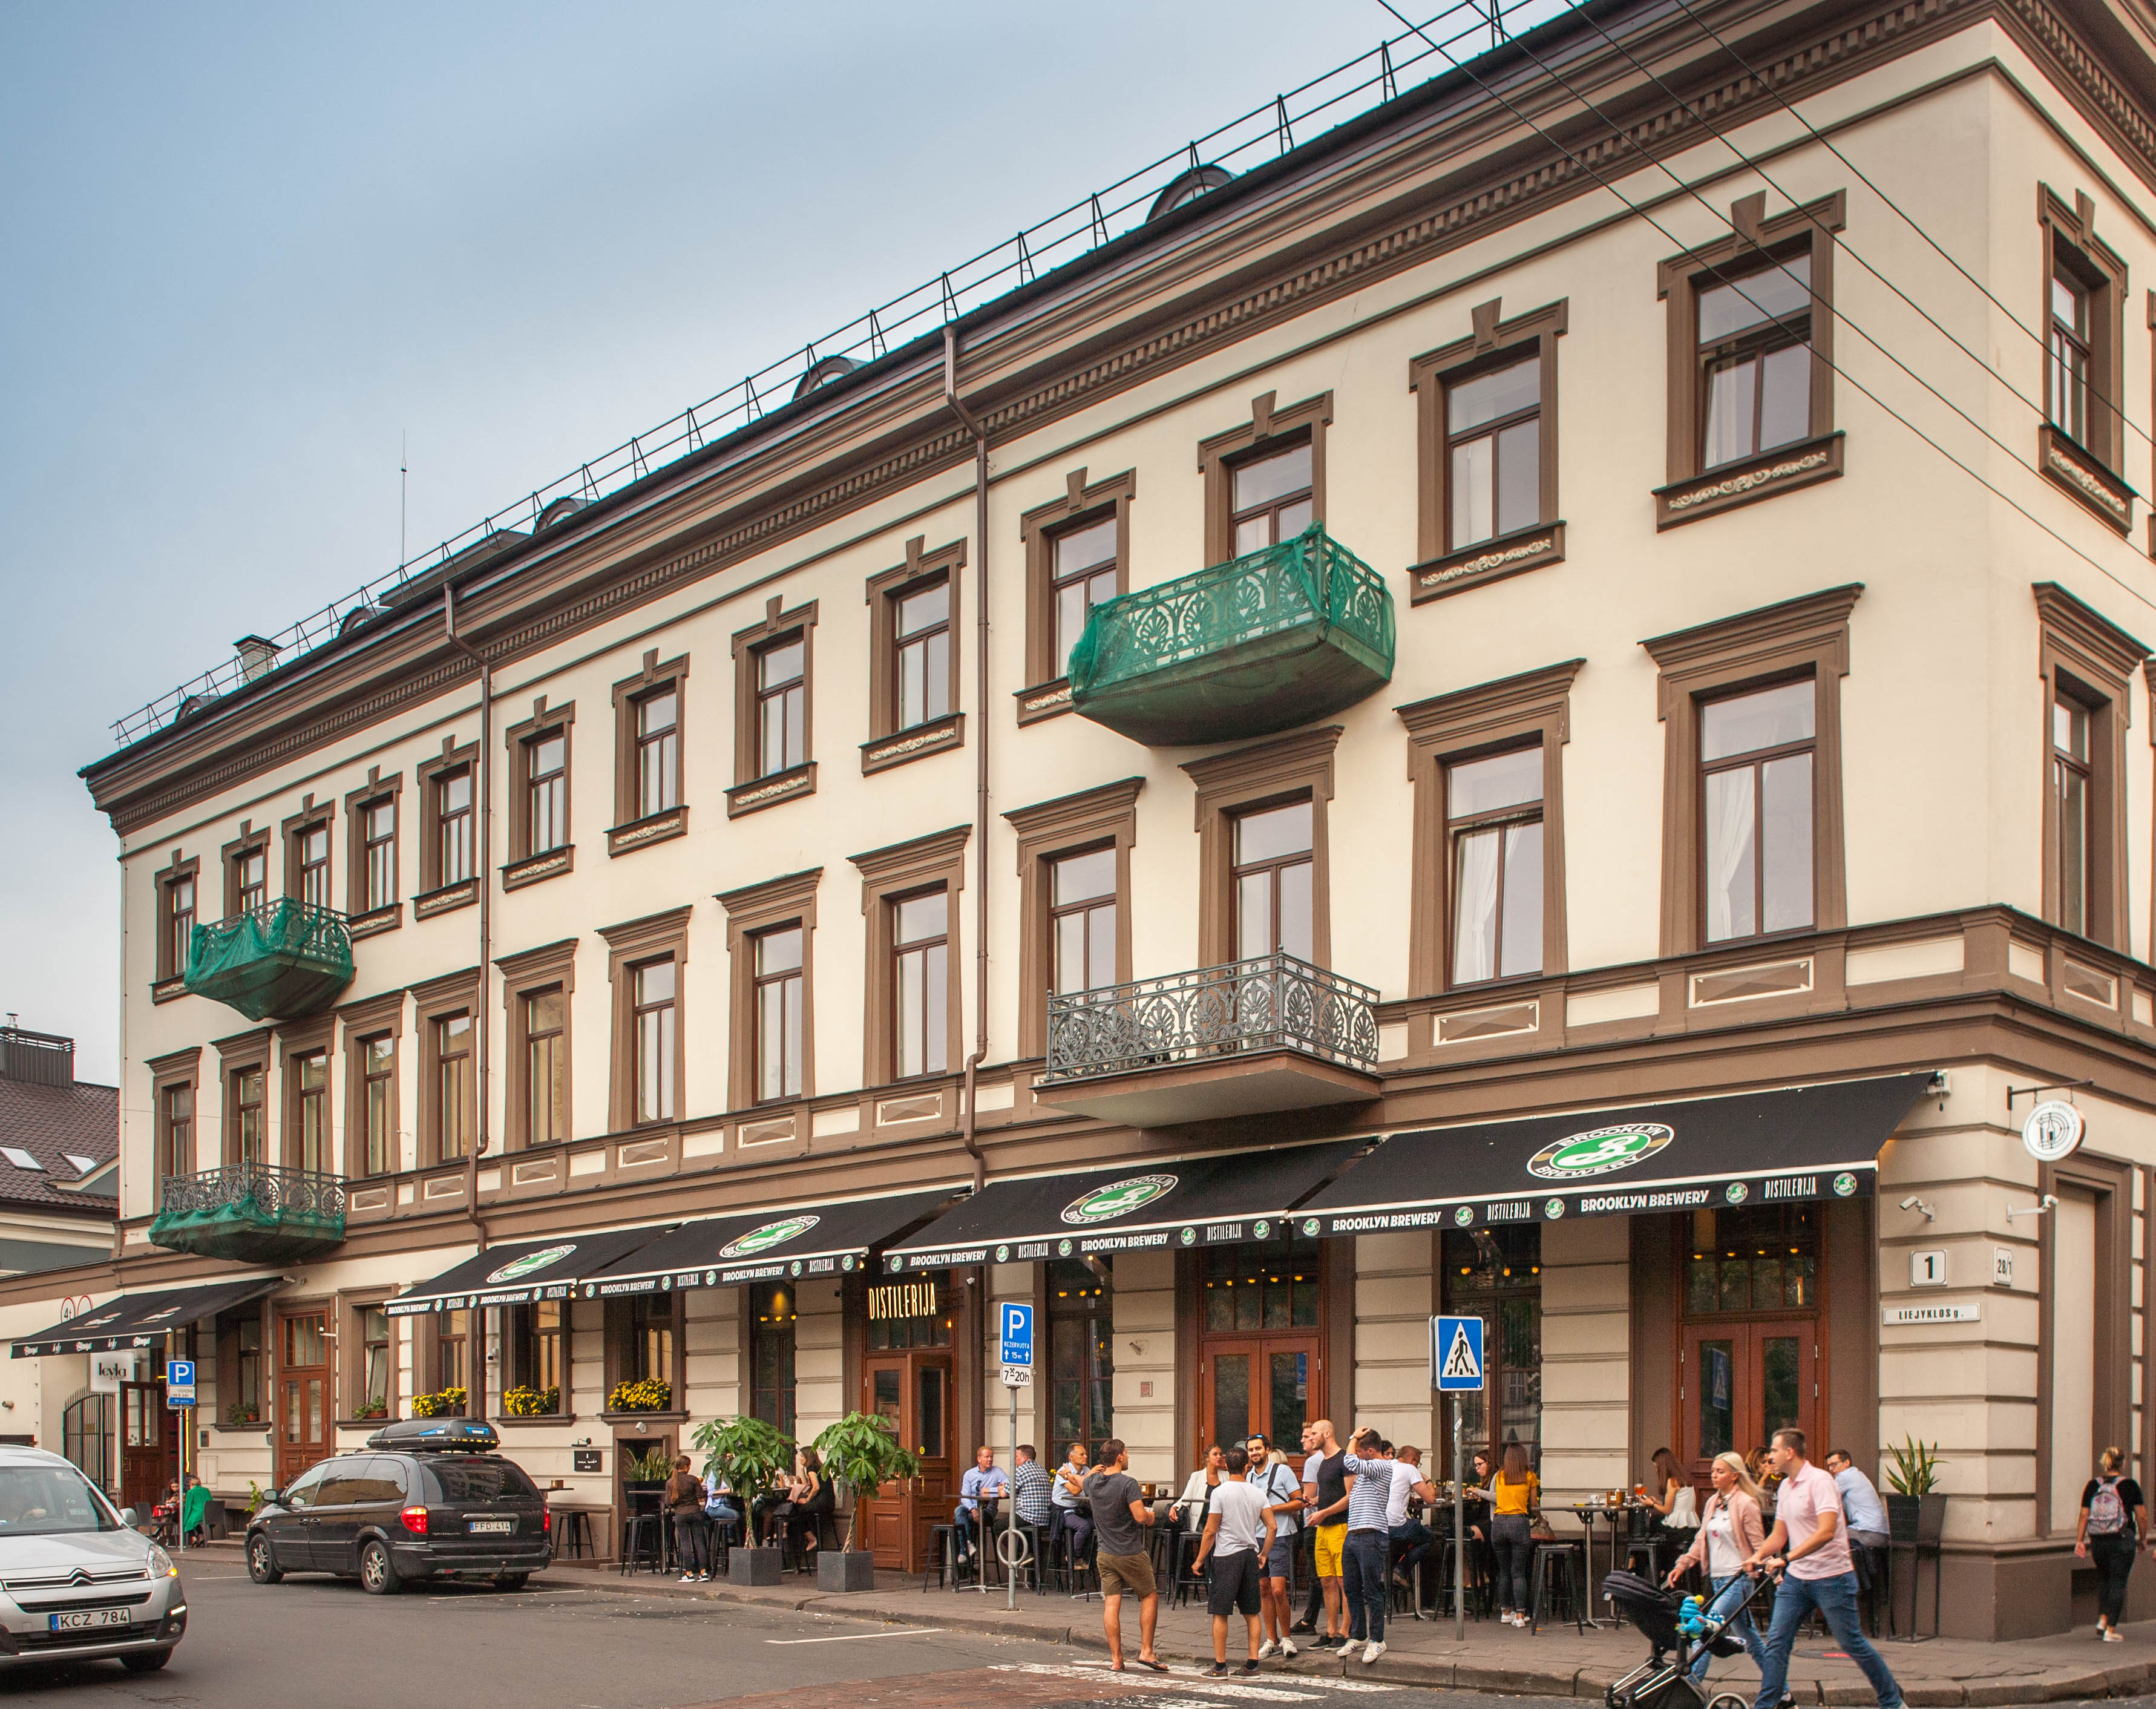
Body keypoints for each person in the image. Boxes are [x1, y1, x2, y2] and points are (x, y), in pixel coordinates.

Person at [1745, 1428, 1905, 1709]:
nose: (1770, 1456)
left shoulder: (1820, 1482)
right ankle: (1767, 1705)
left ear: (1790, 1452)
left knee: (1852, 1643)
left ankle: (1892, 1701)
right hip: (1797, 1581)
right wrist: (1758, 1554)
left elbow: (1827, 1531)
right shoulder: (1785, 1487)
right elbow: (1779, 1535)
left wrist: (1786, 1558)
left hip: (1832, 1578)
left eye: (1774, 1450)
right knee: (1777, 1643)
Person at [1668, 1450, 1769, 1683]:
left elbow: (1759, 1545)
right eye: (1713, 1470)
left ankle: (1688, 1689)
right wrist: (1682, 1564)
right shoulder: (1713, 1502)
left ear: (1734, 1476)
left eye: (1719, 1471)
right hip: (1718, 1580)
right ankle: (1782, 1691)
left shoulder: (1746, 1503)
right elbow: (1702, 1538)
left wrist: (1765, 1567)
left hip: (1739, 1580)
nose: (1713, 1475)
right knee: (1751, 1640)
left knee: (1703, 1632)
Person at [1193, 1443, 1276, 1677]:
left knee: (1220, 1613)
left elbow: (1210, 1531)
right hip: (1250, 1555)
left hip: (1226, 1556)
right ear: (1247, 1465)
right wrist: (1264, 1553)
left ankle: (1220, 1665)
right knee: (1252, 1612)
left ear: (1227, 1465)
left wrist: (1199, 1560)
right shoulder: (1258, 1493)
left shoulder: (1221, 1492)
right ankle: (1252, 1663)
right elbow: (1272, 1526)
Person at [1087, 1438, 1167, 1673]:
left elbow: (1081, 1480)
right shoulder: (1128, 1484)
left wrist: (1093, 1470)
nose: (1128, 1457)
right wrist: (1151, 1517)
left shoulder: (1092, 1482)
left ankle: (1116, 1658)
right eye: (1127, 1453)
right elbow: (1140, 1517)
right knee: (1150, 1596)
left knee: (1112, 1603)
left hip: (1105, 1552)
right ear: (1120, 1457)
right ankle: (1146, 1651)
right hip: (1130, 1551)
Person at [2075, 1445, 2148, 1642]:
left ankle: (2102, 1618)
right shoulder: (2130, 1486)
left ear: (2105, 1463)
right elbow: (2141, 1516)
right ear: (2123, 1463)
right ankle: (2110, 1630)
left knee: (2105, 1579)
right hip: (2122, 1540)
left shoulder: (2093, 1485)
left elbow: (2084, 1515)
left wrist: (2080, 1540)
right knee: (2118, 1582)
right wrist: (2142, 1538)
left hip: (2098, 1541)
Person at [1337, 1426, 1395, 1663]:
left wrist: (1352, 1438)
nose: (1358, 1454)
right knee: (1351, 1588)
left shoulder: (1382, 1466)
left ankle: (1377, 1640)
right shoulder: (1366, 1471)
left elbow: (1349, 1462)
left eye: (1361, 1451)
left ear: (1371, 1451)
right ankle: (1359, 1634)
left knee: (1372, 1590)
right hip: (1354, 1533)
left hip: (1372, 1534)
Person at [1245, 1432, 1303, 1658]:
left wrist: (1269, 1510)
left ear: (1267, 1449)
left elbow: (1299, 1502)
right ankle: (1271, 1639)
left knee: (1279, 1589)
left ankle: (1287, 1638)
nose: (1254, 1453)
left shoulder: (1283, 1471)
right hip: (1256, 1538)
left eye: (1258, 1449)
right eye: (1251, 1450)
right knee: (1263, 1589)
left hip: (1281, 1536)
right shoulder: (1248, 1477)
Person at [1824, 1449, 1890, 1632]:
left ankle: (1840, 1593)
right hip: (1876, 1533)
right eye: (1829, 1466)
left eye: (1835, 1464)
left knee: (1824, 1540)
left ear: (1847, 1463)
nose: (1832, 1469)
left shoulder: (1846, 1477)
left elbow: (1824, 1499)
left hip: (1867, 1533)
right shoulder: (1858, 1476)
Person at [1305, 1419, 1352, 1649]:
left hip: (1341, 1527)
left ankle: (1345, 1630)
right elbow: (1331, 1494)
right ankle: (1331, 1631)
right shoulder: (1323, 1462)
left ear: (1328, 1433)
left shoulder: (1344, 1460)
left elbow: (1350, 1496)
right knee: (1326, 1581)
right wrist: (1314, 1502)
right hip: (1323, 1528)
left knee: (1344, 1580)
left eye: (1314, 1433)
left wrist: (1324, 1512)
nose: (1311, 1437)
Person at [1489, 1440, 1539, 1627]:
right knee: (1518, 1572)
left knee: (1504, 1572)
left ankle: (1505, 1612)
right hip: (1519, 1522)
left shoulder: (1500, 1476)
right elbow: (1533, 1505)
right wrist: (1540, 1518)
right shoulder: (1530, 1477)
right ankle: (1520, 1616)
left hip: (1499, 1523)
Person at [1388, 1445, 1438, 1595]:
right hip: (1396, 1525)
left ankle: (1390, 1570)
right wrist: (1427, 1480)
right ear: (1412, 1460)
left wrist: (1406, 1496)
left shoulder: (1386, 1465)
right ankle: (1400, 1569)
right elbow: (1430, 1498)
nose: (1418, 1465)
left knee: (1409, 1538)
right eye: (1418, 1462)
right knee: (1429, 1538)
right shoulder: (1410, 1469)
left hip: (1379, 1526)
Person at [1293, 1422, 1326, 1635]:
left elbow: (1309, 1498)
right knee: (1330, 1576)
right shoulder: (1334, 1459)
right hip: (1334, 1520)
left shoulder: (1314, 1462)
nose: (1304, 1440)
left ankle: (1309, 1620)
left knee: (1315, 1574)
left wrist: (1301, 1500)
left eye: (1308, 1436)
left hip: (1314, 1522)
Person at [952, 1445, 1008, 1563]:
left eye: (991, 1457)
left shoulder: (998, 1472)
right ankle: (968, 1545)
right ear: (979, 1459)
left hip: (988, 1511)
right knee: (959, 1511)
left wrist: (991, 1490)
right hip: (972, 1508)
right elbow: (965, 1496)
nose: (990, 1460)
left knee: (964, 1519)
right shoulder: (969, 1474)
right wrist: (973, 1509)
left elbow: (1008, 1487)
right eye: (987, 1457)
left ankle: (964, 1552)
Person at [666, 1454, 712, 1583]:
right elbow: (701, 1496)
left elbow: (668, 1502)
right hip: (696, 1513)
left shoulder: (670, 1482)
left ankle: (689, 1573)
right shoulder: (693, 1480)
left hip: (681, 1514)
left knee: (685, 1544)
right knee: (699, 1542)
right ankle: (704, 1573)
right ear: (686, 1467)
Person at [1050, 1442, 1094, 1573]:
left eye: (1086, 1454)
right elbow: (1075, 1490)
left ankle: (1088, 1558)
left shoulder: (1086, 1470)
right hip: (1061, 1511)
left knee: (1098, 1523)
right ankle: (1074, 1557)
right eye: (1082, 1454)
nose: (1086, 1456)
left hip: (1076, 1509)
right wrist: (1090, 1475)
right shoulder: (1062, 1471)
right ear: (1071, 1457)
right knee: (1084, 1526)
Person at [1170, 1443, 1225, 1532]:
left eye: (1221, 1454)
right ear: (1207, 1458)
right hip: (1201, 1519)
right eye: (1215, 1454)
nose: (1219, 1457)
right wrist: (1175, 1507)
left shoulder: (1226, 1476)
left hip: (1221, 1520)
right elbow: (1186, 1497)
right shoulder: (1196, 1476)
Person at [703, 1465, 742, 1560]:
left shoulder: (733, 1472)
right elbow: (712, 1494)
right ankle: (730, 1539)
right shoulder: (715, 1473)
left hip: (730, 1504)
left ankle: (737, 1545)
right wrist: (728, 1491)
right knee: (735, 1515)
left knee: (744, 1515)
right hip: (715, 1506)